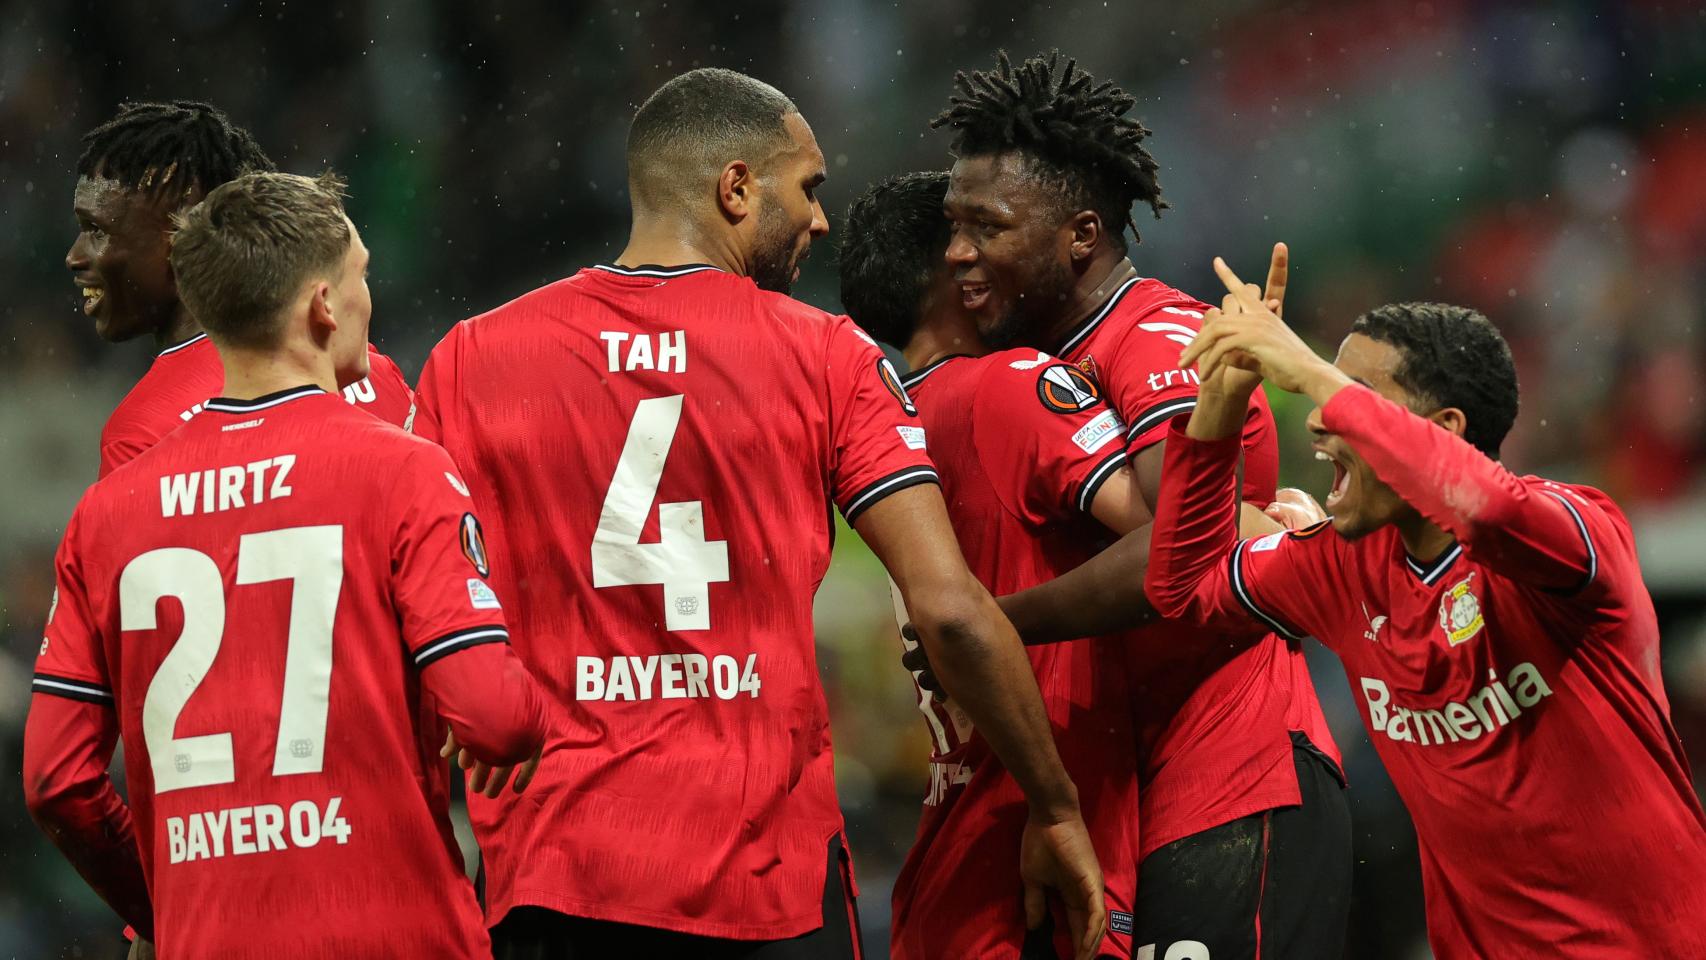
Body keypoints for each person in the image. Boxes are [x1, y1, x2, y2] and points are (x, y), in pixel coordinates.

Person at [412, 68, 1105, 960]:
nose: (821, 218)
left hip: (559, 874)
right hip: (766, 880)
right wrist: (1055, 806)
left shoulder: (474, 357)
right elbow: (949, 611)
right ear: (735, 188)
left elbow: (422, 620)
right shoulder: (826, 356)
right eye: (807, 188)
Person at [24, 171, 550, 958]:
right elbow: (495, 719)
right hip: (395, 933)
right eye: (361, 275)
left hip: (210, 937)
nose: (369, 302)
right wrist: (528, 710)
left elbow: (55, 781)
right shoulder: (403, 471)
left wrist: (161, 902)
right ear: (324, 306)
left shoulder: (108, 512)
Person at [1146, 258, 1706, 959]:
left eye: (1354, 394)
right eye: (1327, 392)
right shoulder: (1341, 569)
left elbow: (1490, 508)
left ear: (1444, 427)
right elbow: (1184, 585)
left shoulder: (1577, 531)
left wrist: (1308, 368)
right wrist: (1220, 405)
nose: (1320, 419)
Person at [931, 50, 1348, 957]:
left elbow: (1181, 551)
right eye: (952, 224)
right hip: (1139, 789)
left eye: (987, 226)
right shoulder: (1040, 363)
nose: (958, 250)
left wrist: (983, 628)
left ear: (1081, 234)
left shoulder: (1155, 334)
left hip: (1234, 773)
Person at [66, 100, 413, 476]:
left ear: (181, 228)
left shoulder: (145, 433)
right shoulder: (372, 374)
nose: (75, 257)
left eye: (96, 230)